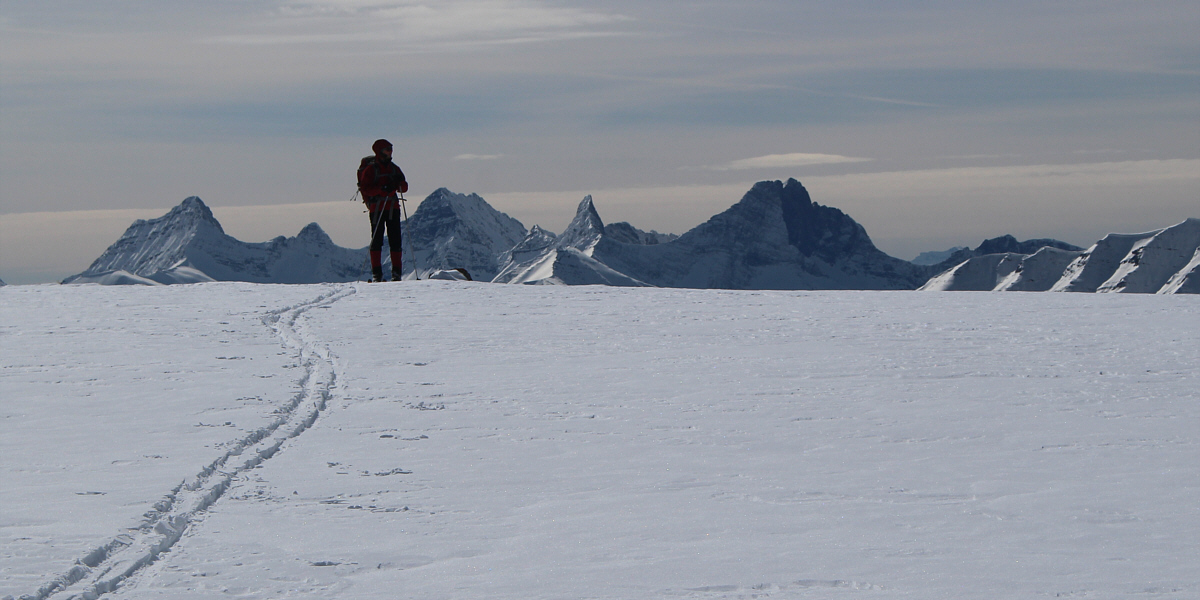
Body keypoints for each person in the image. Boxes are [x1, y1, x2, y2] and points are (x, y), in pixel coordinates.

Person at [358, 139, 409, 282]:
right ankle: (379, 274)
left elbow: (404, 188)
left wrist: (397, 184)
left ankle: (391, 274)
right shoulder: (373, 170)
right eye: (387, 149)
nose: (390, 151)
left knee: (394, 240)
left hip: (388, 208)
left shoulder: (393, 169)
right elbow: (366, 188)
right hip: (380, 208)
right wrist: (383, 189)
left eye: (391, 148)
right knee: (378, 240)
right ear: (379, 151)